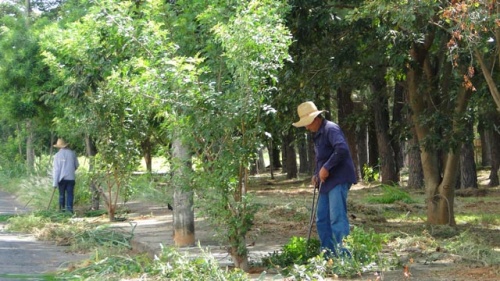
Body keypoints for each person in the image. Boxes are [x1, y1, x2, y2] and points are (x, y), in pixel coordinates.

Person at [292, 101, 357, 257]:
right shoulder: (318, 134)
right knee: (322, 218)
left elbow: (341, 149)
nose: (307, 128)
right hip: (326, 182)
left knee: (336, 218)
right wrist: (316, 174)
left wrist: (327, 168)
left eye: (307, 124)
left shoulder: (331, 129)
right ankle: (328, 255)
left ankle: (345, 258)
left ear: (316, 119)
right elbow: (321, 158)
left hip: (338, 179)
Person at [52, 138, 79, 213]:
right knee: (70, 195)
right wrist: (70, 170)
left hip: (61, 179)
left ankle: (62, 211)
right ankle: (70, 211)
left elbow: (56, 170)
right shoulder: (72, 153)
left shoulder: (57, 155)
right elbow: (76, 165)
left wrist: (54, 183)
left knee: (61, 195)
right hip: (71, 178)